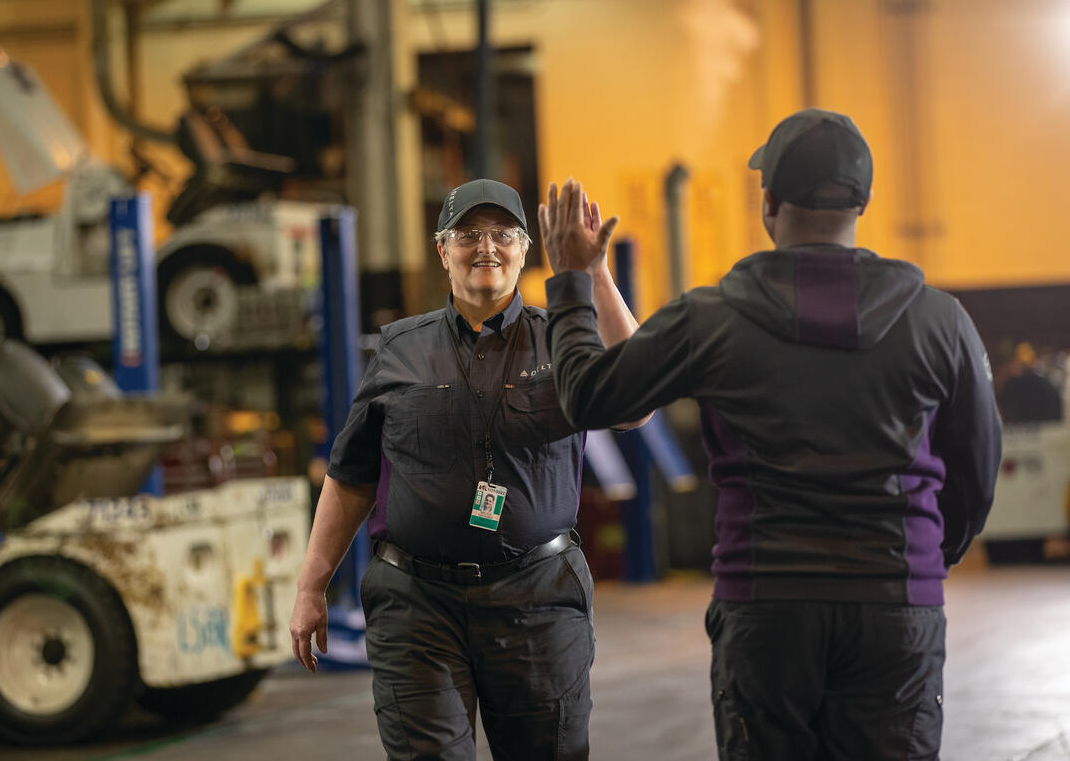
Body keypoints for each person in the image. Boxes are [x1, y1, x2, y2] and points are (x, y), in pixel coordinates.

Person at [539, 109, 1002, 760]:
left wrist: (571, 279)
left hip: (767, 605)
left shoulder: (712, 317)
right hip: (894, 606)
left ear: (770, 202)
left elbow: (590, 395)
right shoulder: (940, 321)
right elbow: (978, 468)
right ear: (862, 201)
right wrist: (925, 560)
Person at [289, 178, 647, 760]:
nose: (487, 248)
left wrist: (594, 272)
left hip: (537, 599)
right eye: (469, 234)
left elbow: (635, 403)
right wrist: (310, 584)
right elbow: (351, 474)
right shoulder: (399, 349)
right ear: (442, 249)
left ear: (526, 248)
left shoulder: (564, 339)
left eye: (503, 233)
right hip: (417, 605)